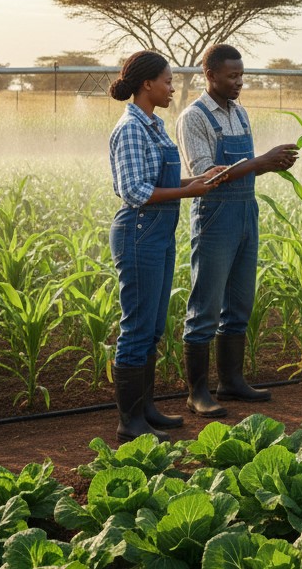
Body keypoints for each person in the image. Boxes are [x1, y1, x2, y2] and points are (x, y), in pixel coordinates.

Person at [176, 43, 299, 417]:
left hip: (246, 210)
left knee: (240, 302)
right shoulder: (193, 117)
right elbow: (206, 176)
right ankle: (197, 392)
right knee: (206, 305)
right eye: (232, 76)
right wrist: (262, 161)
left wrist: (270, 164)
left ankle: (231, 381)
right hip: (215, 215)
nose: (239, 82)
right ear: (210, 75)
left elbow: (244, 168)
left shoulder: (240, 113)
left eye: (242, 75)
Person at [108, 51, 223, 442]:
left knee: (153, 326)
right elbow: (134, 190)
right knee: (137, 327)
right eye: (168, 81)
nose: (173, 88)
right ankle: (129, 423)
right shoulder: (131, 128)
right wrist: (189, 192)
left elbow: (162, 182)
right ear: (147, 84)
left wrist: (198, 180)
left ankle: (146, 409)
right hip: (139, 231)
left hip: (157, 231)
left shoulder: (153, 124)